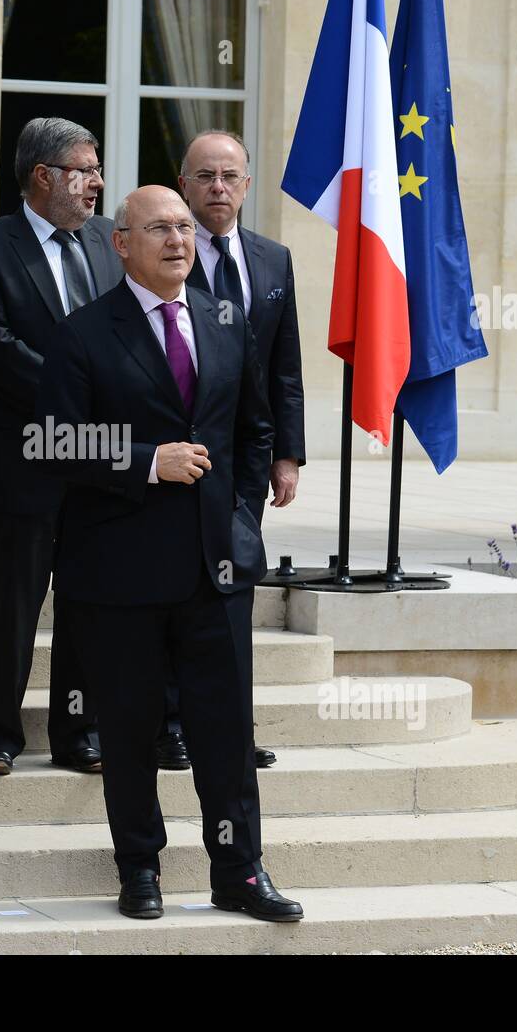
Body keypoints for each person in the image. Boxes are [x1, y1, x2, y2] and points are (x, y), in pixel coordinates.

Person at [33, 185, 303, 923]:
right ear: (120, 243)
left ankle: (240, 870)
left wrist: (243, 515)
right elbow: (50, 440)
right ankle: (140, 867)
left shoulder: (225, 319)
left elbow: (255, 428)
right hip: (119, 571)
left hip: (216, 569)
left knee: (225, 729)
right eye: (159, 228)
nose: (179, 239)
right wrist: (149, 460)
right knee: (129, 728)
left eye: (185, 227)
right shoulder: (83, 332)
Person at [0, 118, 122, 776]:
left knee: (86, 604)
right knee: (11, 607)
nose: (96, 181)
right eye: (83, 169)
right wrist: (74, 394)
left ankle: (77, 730)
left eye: (96, 168)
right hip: (17, 462)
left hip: (96, 464)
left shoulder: (110, 244)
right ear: (41, 177)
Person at [157, 128, 308, 772]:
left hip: (243, 464)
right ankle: (167, 725)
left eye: (230, 177)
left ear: (246, 186)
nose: (218, 189)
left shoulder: (273, 260)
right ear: (183, 183)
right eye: (205, 177)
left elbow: (285, 365)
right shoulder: (158, 253)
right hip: (173, 459)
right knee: (171, 594)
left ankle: (227, 732)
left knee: (230, 599)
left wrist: (286, 453)